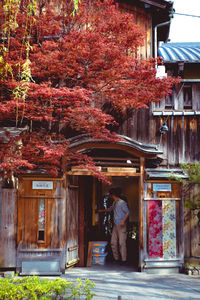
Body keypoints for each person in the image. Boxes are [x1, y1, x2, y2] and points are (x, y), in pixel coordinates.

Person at [97, 187, 129, 265]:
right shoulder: (115, 203)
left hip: (121, 225)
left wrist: (123, 221)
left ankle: (124, 260)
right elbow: (110, 209)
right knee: (113, 242)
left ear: (112, 195)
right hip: (115, 225)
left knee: (121, 243)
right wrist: (100, 211)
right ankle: (116, 259)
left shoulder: (122, 203)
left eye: (110, 195)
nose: (109, 196)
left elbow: (128, 212)